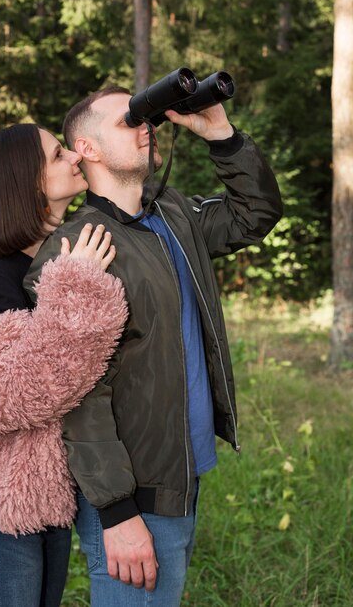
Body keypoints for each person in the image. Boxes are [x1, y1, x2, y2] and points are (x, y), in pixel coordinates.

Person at [23, 89, 283, 606]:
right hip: (132, 490)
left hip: (182, 468)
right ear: (88, 148)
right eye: (129, 121)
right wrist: (118, 512)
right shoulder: (75, 251)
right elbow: (76, 394)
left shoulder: (175, 216)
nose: (147, 127)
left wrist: (221, 135)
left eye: (146, 118)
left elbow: (255, 212)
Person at [0, 123, 128, 607]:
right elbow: (17, 391)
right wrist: (77, 285)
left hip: (45, 496)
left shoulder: (55, 257)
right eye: (59, 155)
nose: (75, 158)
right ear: (25, 182)